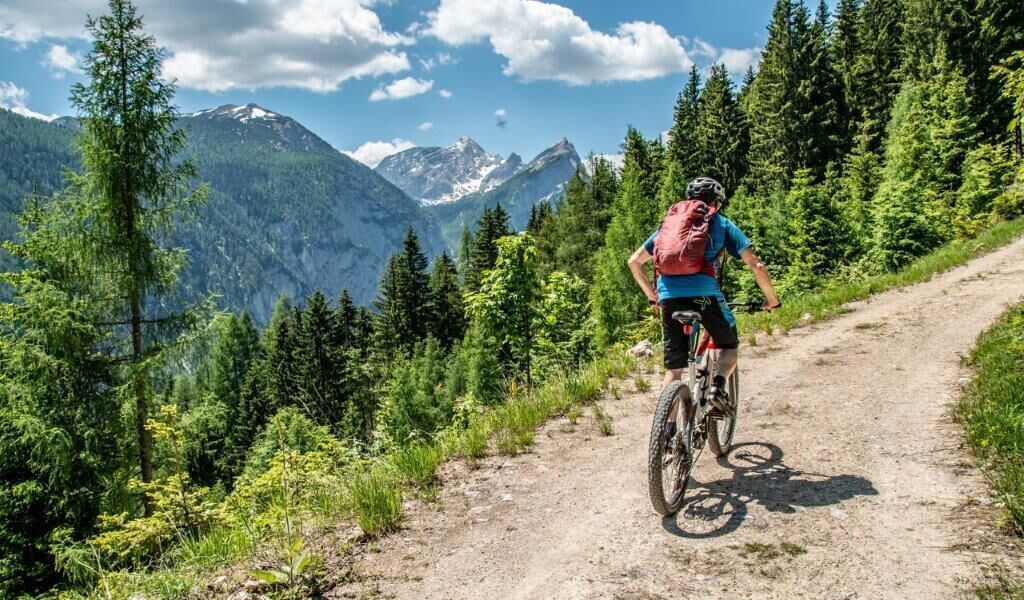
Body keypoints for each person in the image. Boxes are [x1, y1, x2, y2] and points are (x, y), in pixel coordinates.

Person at [627, 176, 781, 415]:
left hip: (668, 297)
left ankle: (667, 430)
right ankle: (717, 387)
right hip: (704, 296)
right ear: (716, 202)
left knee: (673, 370)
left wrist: (653, 297)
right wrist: (772, 300)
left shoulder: (669, 226)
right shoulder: (721, 223)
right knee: (728, 345)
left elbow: (634, 262)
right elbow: (757, 265)